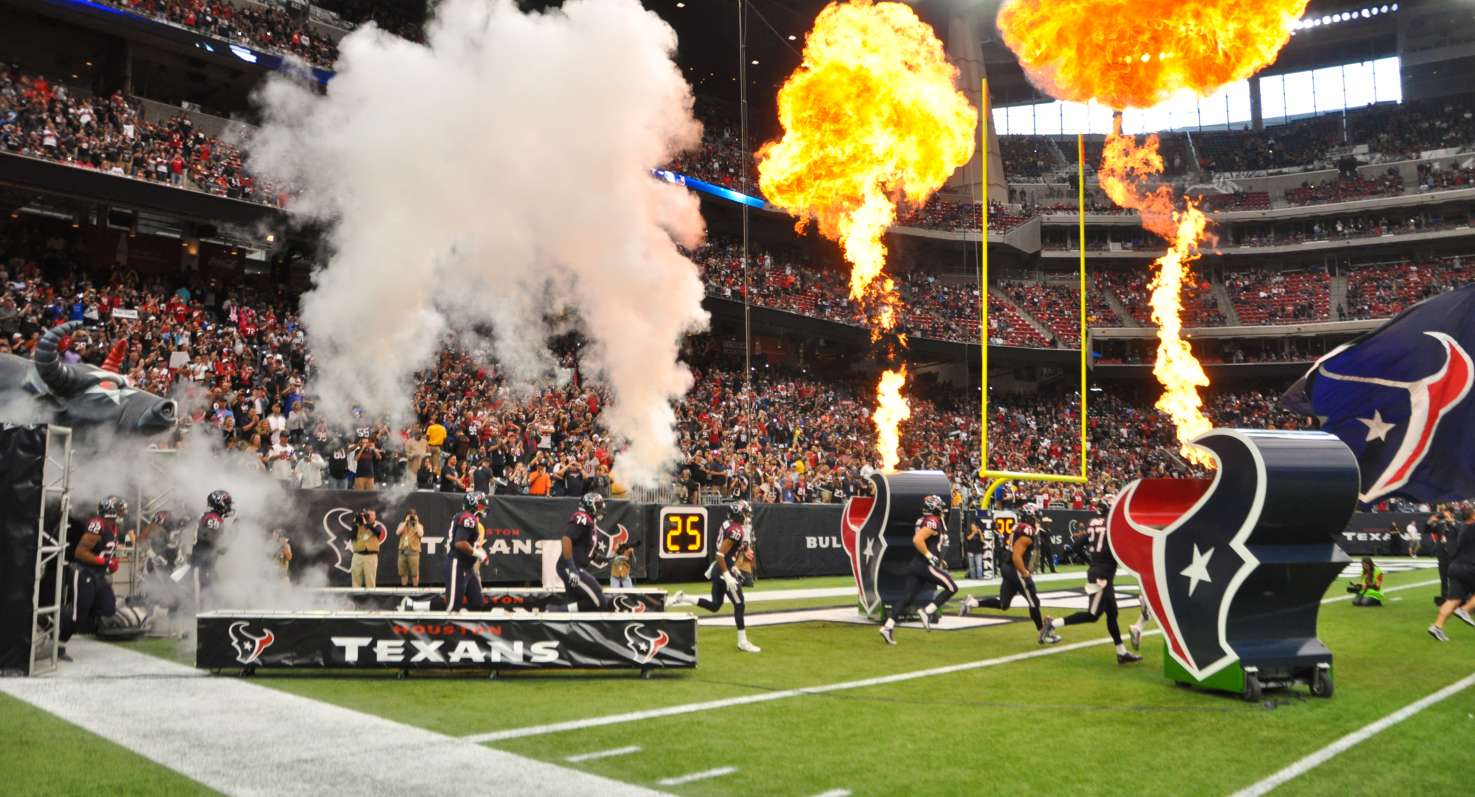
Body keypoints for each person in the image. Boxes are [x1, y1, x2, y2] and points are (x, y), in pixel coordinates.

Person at [1041, 507, 1141, 663]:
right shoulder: (1113, 525)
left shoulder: (1095, 525)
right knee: (1092, 615)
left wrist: (1091, 562)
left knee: (1112, 614)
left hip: (1100, 573)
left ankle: (1121, 652)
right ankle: (1052, 624)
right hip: (1101, 577)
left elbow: (1075, 546)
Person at [670, 500, 761, 652]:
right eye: (745, 513)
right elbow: (719, 555)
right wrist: (728, 575)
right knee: (739, 604)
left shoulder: (728, 524)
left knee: (715, 605)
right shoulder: (736, 530)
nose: (747, 516)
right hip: (722, 569)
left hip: (721, 568)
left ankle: (683, 598)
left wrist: (732, 568)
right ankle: (742, 641)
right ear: (739, 514)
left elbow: (725, 553)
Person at [960, 506, 1053, 642]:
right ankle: (1042, 632)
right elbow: (1017, 556)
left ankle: (972, 602)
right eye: (1035, 518)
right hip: (1015, 568)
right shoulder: (1026, 530)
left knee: (1004, 604)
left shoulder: (1019, 527)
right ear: (1031, 517)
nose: (1037, 521)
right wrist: (1025, 573)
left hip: (1008, 567)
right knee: (1033, 600)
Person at [878, 494, 957, 645]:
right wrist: (930, 556)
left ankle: (887, 627)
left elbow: (930, 543)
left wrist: (939, 558)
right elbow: (917, 540)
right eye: (939, 505)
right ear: (933, 507)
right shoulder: (933, 521)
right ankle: (927, 612)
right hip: (925, 566)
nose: (942, 508)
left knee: (907, 598)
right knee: (952, 587)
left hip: (917, 564)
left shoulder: (925, 520)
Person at [59, 495, 125, 661]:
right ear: (109, 510)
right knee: (78, 614)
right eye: (118, 508)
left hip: (99, 575)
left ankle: (70, 618)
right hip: (84, 572)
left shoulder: (113, 527)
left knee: (108, 607)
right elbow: (80, 552)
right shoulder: (98, 525)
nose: (122, 511)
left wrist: (111, 562)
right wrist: (102, 561)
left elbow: (105, 551)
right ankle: (59, 644)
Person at [557, 492, 617, 612]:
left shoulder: (590, 522)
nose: (601, 508)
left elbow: (587, 551)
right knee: (599, 600)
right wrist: (572, 569)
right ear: (590, 505)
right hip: (571, 567)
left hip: (575, 567)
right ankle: (555, 612)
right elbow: (566, 539)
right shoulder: (582, 517)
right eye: (598, 505)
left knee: (579, 601)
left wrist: (606, 559)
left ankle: (556, 612)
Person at [1429, 506, 1475, 641]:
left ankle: (1437, 627)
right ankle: (1465, 610)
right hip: (1469, 567)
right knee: (1457, 602)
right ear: (1472, 517)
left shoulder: (1461, 528)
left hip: (1455, 567)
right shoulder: (1471, 528)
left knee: (1453, 600)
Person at [440, 492, 490, 612]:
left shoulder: (468, 517)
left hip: (466, 566)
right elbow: (460, 543)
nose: (484, 509)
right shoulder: (468, 518)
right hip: (457, 564)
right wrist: (479, 554)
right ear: (474, 505)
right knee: (453, 606)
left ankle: (472, 630)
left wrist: (477, 548)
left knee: (478, 602)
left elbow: (467, 542)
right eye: (482, 506)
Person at [191, 489, 233, 604]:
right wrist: (227, 542)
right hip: (201, 567)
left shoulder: (211, 517)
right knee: (200, 602)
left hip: (207, 567)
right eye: (227, 503)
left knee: (214, 599)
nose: (229, 506)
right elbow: (212, 541)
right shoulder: (213, 519)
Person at [350, 508, 386, 589]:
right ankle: (355, 598)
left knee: (370, 579)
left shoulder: (377, 526)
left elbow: (377, 532)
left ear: (375, 516)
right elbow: (352, 536)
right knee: (356, 579)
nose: (369, 516)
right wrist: (354, 523)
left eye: (372, 515)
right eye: (368, 514)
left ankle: (371, 599)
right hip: (357, 555)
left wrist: (366, 524)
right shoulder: (358, 526)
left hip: (371, 556)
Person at [1429, 507, 1457, 603]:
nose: (1444, 514)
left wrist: (1452, 522)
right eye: (1444, 512)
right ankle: (1445, 598)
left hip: (1453, 555)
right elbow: (1427, 529)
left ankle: (1456, 599)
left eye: (1446, 512)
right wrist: (1431, 521)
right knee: (1443, 578)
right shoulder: (1440, 525)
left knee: (1455, 579)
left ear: (1451, 513)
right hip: (1442, 555)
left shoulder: (1457, 524)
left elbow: (1460, 532)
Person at [396, 509, 424, 587]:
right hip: (402, 552)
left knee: (415, 573)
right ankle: (404, 588)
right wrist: (405, 522)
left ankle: (415, 589)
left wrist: (416, 522)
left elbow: (421, 534)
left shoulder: (418, 525)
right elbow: (398, 532)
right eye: (410, 515)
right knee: (403, 573)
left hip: (413, 552)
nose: (412, 517)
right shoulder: (402, 524)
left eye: (413, 515)